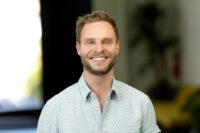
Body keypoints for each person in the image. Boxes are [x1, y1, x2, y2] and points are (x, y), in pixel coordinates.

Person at [36, 11, 161, 133]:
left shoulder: (141, 103)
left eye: (106, 42)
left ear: (117, 47)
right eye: (90, 42)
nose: (99, 49)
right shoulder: (54, 109)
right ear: (78, 48)